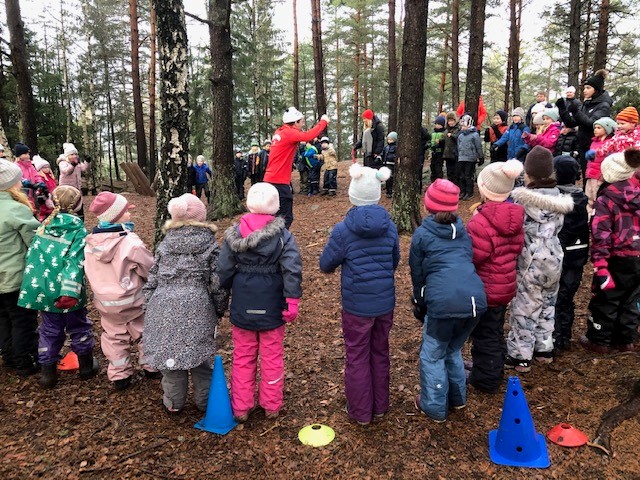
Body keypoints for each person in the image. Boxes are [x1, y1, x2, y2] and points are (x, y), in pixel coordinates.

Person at [320, 164, 398, 425]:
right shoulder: (390, 227)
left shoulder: (343, 230)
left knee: (356, 355)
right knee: (379, 351)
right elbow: (394, 260)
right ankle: (379, 406)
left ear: (353, 194)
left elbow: (326, 263)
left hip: (356, 306)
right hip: (384, 301)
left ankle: (361, 411)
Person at [217, 183, 302, 422]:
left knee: (243, 356)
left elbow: (223, 270)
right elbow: (292, 269)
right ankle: (271, 405)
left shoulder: (234, 234)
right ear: (275, 207)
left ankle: (241, 406)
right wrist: (291, 301)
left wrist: (221, 293)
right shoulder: (283, 236)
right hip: (272, 304)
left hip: (243, 303)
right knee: (272, 355)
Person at [143, 193, 229, 413]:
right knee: (201, 357)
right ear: (201, 216)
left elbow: (153, 278)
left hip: (163, 305)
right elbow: (217, 282)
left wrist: (149, 306)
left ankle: (174, 403)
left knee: (170, 358)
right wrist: (219, 308)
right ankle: (205, 402)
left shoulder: (164, 245)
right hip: (198, 305)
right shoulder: (209, 244)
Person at [410, 179, 487, 422]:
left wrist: (420, 302)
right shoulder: (464, 232)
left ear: (428, 205)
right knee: (452, 349)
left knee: (432, 355)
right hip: (475, 301)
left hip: (445, 305)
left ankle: (433, 406)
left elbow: (418, 274)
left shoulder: (422, 235)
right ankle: (458, 399)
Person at [18, 186, 99, 388]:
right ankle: (86, 367)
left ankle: (48, 374)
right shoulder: (77, 229)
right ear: (78, 204)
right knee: (79, 326)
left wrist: (34, 290)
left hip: (44, 292)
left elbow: (34, 259)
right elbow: (75, 261)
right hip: (68, 293)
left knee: (49, 330)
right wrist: (69, 291)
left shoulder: (44, 226)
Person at [506, 146, 574, 372]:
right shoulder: (559, 200)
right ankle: (544, 348)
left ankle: (520, 355)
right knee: (548, 303)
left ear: (528, 174)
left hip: (531, 259)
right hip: (555, 256)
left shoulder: (523, 202)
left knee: (525, 306)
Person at [85, 192, 159, 391]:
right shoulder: (130, 242)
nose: (129, 214)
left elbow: (90, 271)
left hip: (105, 303)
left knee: (113, 336)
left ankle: (120, 375)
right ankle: (151, 366)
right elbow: (148, 267)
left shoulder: (90, 244)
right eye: (126, 211)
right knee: (144, 332)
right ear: (116, 216)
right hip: (132, 300)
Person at [466, 160, 525, 393]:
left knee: (484, 334)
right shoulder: (516, 216)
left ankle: (486, 379)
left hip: (486, 288)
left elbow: (475, 256)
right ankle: (490, 367)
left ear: (484, 189)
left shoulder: (481, 221)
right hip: (505, 284)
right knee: (494, 330)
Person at [580, 149, 640, 354]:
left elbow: (601, 233)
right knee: (630, 299)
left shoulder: (606, 199)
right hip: (636, 255)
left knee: (607, 298)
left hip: (616, 257)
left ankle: (599, 339)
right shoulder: (636, 193)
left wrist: (600, 263)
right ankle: (625, 340)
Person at [0, 159, 41, 376]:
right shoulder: (16, 210)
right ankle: (25, 361)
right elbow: (34, 240)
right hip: (14, 277)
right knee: (22, 320)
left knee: (4, 319)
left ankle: (8, 356)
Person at [264, 107, 329, 228]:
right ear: (295, 123)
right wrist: (323, 122)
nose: (303, 124)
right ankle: (279, 242)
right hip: (279, 181)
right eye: (301, 121)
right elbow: (309, 135)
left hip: (270, 179)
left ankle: (272, 239)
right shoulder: (289, 133)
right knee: (285, 217)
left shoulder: (280, 132)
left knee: (274, 214)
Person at [552, 156, 589, 352]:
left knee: (556, 297)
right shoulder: (581, 198)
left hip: (560, 254)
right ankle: (564, 336)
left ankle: (556, 338)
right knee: (567, 298)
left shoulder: (555, 201)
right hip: (578, 255)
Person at [556, 69, 613, 180]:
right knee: (585, 176)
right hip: (583, 145)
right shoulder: (586, 104)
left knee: (593, 178)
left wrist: (576, 112)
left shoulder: (604, 105)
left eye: (588, 88)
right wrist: (563, 109)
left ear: (596, 89)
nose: (585, 91)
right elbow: (571, 123)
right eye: (584, 88)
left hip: (595, 147)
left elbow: (590, 123)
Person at [584, 117, 616, 215]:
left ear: (607, 129)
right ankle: (589, 216)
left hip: (600, 175)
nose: (595, 130)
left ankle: (597, 216)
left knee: (596, 196)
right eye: (595, 128)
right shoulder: (594, 142)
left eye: (599, 128)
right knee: (588, 195)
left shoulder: (610, 143)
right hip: (590, 174)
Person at [57, 143, 90, 219]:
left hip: (77, 190)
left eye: (75, 154)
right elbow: (67, 172)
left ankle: (81, 222)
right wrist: (72, 165)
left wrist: (87, 162)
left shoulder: (77, 163)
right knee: (68, 208)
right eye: (71, 154)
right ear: (67, 156)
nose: (74, 156)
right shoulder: (62, 163)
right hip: (66, 191)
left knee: (79, 208)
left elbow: (84, 169)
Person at [456, 114, 484, 201]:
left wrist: (480, 157)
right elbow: (458, 146)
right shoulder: (460, 135)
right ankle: (463, 191)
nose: (462, 126)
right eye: (462, 124)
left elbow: (478, 146)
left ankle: (469, 192)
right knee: (462, 175)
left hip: (471, 158)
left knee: (468, 175)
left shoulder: (474, 135)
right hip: (461, 158)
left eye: (464, 124)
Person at [14, 143, 39, 208]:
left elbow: (36, 175)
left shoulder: (30, 166)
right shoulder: (16, 166)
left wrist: (39, 182)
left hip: (32, 192)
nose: (28, 156)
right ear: (19, 155)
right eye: (25, 154)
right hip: (22, 192)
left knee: (33, 207)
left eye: (28, 154)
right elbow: (18, 177)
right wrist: (25, 182)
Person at [32, 155, 57, 221]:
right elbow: (40, 185)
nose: (47, 169)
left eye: (48, 167)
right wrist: (46, 195)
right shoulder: (39, 177)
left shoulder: (50, 176)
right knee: (45, 210)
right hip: (45, 197)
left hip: (53, 196)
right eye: (44, 167)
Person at [442, 112, 460, 186]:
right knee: (449, 172)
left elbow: (459, 139)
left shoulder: (458, 129)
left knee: (456, 172)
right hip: (447, 154)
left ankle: (456, 187)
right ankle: (450, 188)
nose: (450, 122)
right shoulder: (446, 130)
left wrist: (452, 136)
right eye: (449, 121)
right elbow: (444, 141)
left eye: (452, 120)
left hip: (455, 154)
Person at [430, 115, 447, 182]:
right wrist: (430, 145)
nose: (436, 125)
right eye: (436, 124)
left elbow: (444, 142)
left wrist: (439, 143)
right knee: (432, 166)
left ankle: (439, 181)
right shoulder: (433, 133)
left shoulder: (443, 133)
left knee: (438, 167)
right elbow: (430, 141)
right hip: (433, 152)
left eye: (438, 124)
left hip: (440, 153)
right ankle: (433, 181)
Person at [382, 132, 398, 197]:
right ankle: (388, 191)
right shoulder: (386, 147)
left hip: (391, 164)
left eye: (391, 139)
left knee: (391, 178)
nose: (389, 141)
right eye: (389, 139)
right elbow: (382, 153)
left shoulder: (396, 147)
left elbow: (396, 155)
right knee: (387, 178)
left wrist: (393, 158)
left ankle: (391, 191)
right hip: (386, 164)